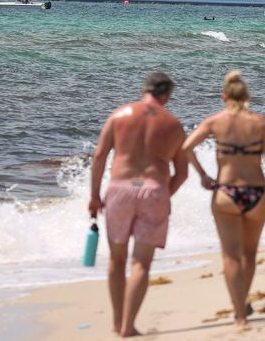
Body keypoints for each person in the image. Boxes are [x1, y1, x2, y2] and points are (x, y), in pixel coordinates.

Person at [182, 70, 265, 328]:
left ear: (224, 96)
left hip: (226, 194)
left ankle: (240, 315)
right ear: (248, 96)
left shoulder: (214, 121)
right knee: (249, 254)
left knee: (230, 256)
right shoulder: (260, 122)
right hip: (256, 193)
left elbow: (185, 147)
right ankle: (243, 300)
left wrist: (203, 176)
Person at [89, 72, 188, 337]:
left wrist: (94, 196)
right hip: (154, 191)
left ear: (143, 89)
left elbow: (99, 157)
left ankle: (115, 320)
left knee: (116, 260)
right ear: (167, 95)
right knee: (141, 264)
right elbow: (182, 173)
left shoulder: (119, 115)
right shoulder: (174, 124)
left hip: (120, 190)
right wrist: (165, 195)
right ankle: (128, 326)